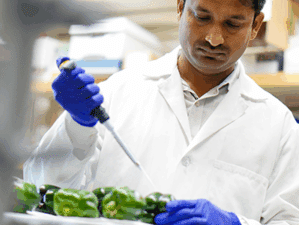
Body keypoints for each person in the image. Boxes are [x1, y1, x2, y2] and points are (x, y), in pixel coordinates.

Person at [24, 0, 299, 224]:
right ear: (180, 7)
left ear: (255, 26)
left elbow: (290, 219)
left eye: (232, 24)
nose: (214, 38)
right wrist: (77, 125)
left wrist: (235, 223)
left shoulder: (279, 125)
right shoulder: (118, 92)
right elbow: (41, 188)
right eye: (202, 17)